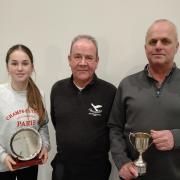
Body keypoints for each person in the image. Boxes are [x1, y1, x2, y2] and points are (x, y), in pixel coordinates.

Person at [108, 19, 180, 180]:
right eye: (152, 41)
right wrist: (122, 162)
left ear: (177, 46)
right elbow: (114, 128)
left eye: (166, 41)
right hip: (134, 177)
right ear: (145, 47)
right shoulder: (127, 84)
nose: (158, 46)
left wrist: (176, 138)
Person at [50, 35, 116, 180]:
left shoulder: (110, 92)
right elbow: (57, 123)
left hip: (96, 171)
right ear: (69, 59)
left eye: (89, 57)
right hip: (63, 170)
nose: (83, 63)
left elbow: (115, 131)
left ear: (97, 61)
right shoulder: (57, 89)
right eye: (77, 57)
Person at [0, 44, 51, 180]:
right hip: (3, 166)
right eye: (14, 63)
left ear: (32, 67)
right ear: (7, 67)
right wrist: (2, 156)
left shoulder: (39, 94)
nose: (20, 68)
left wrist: (45, 146)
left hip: (29, 164)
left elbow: (43, 126)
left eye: (25, 63)